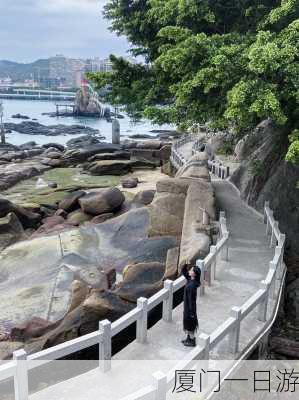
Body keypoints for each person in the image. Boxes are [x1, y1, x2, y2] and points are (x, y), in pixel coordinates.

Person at [181, 262, 201, 347]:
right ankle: (188, 338)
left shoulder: (192, 285)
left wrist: (192, 313)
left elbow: (192, 301)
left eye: (191, 270)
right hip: (187, 306)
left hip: (190, 309)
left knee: (190, 324)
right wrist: (186, 264)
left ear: (194, 274)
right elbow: (184, 271)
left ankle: (192, 341)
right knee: (187, 324)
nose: (189, 271)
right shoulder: (190, 279)